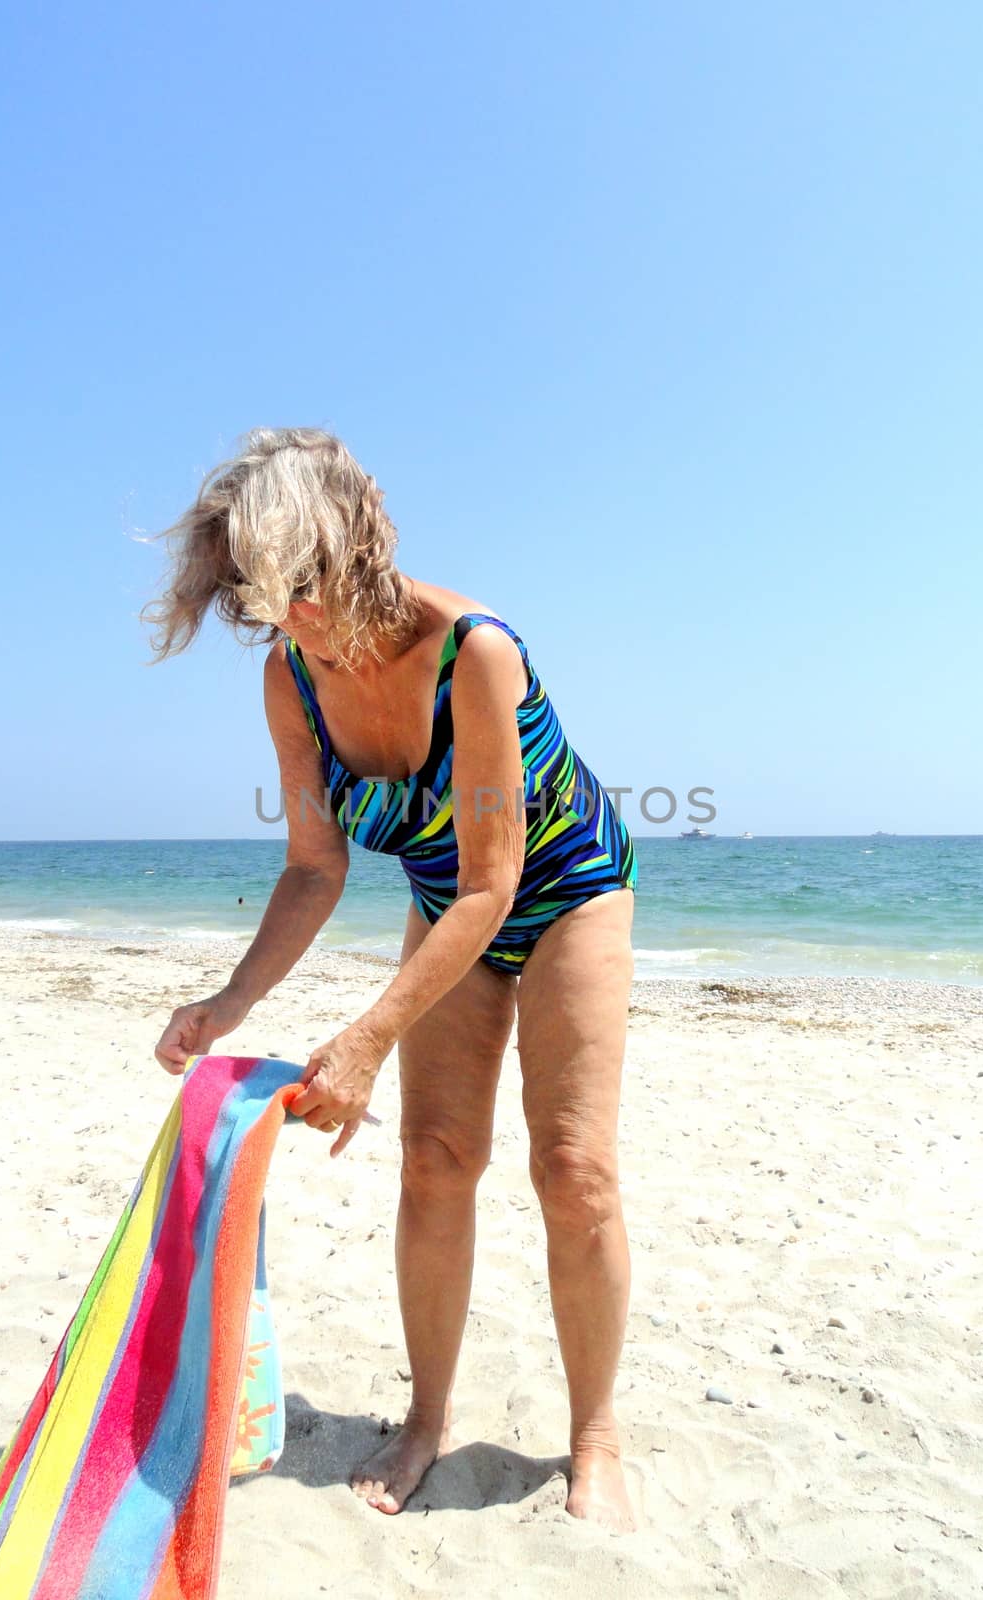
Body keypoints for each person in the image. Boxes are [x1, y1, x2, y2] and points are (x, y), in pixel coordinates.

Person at [145, 428, 639, 1531]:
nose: (298, 618)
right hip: (450, 900)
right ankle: (427, 1419)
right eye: (269, 598)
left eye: (311, 585)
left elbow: (494, 883)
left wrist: (366, 1038)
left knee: (573, 1170)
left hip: (562, 890)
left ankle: (595, 1436)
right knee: (434, 1159)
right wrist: (230, 1004)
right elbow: (315, 864)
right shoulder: (291, 678)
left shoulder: (477, 651)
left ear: (360, 545)